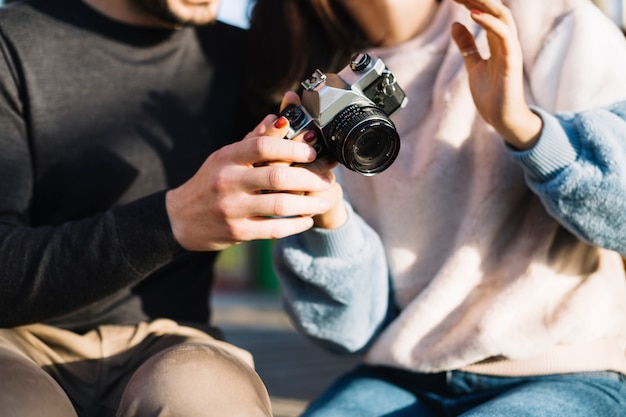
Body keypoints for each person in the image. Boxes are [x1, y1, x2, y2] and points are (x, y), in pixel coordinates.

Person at [250, 0, 626, 415]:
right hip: (403, 375)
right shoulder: (315, 87)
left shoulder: (539, 19)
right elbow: (348, 332)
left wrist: (523, 128)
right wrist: (325, 215)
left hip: (565, 367)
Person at [0, 0, 336, 416]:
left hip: (173, 344)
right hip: (15, 339)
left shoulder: (246, 56)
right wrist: (171, 220)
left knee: (207, 397)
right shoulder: (10, 43)